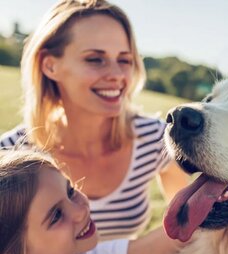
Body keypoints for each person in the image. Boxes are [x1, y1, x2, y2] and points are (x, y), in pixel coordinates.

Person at [0, 0, 188, 240]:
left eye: (124, 60)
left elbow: (187, 228)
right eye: (95, 59)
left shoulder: (155, 139)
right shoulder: (10, 155)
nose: (117, 75)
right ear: (50, 65)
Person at [0, 150, 185, 254]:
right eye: (56, 216)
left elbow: (159, 245)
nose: (81, 211)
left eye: (70, 191)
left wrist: (203, 202)